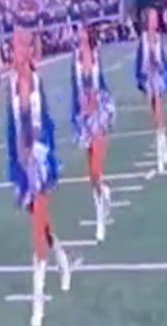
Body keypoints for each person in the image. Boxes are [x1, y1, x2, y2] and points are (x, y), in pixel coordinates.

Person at [5, 28, 71, 326]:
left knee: (36, 231)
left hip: (40, 162)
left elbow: (45, 123)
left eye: (21, 46)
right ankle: (62, 259)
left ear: (29, 51)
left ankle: (37, 306)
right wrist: (16, 162)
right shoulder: (9, 85)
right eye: (14, 46)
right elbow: (11, 129)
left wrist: (43, 154)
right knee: (42, 226)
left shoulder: (36, 81)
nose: (17, 51)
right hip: (22, 165)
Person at [70, 23, 115, 242]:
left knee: (97, 170)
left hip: (99, 115)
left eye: (81, 31)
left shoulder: (96, 57)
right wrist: (75, 118)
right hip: (83, 119)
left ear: (88, 35)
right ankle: (103, 195)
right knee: (92, 177)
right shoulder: (75, 59)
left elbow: (103, 84)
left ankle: (100, 222)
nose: (78, 35)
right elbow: (73, 90)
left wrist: (105, 104)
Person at [135, 7, 167, 172]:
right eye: (152, 18)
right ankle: (161, 136)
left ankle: (161, 145)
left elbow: (164, 59)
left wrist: (160, 66)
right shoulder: (143, 39)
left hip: (157, 76)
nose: (155, 21)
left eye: (156, 18)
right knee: (153, 112)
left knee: (158, 105)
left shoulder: (159, 38)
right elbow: (139, 60)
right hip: (146, 77)